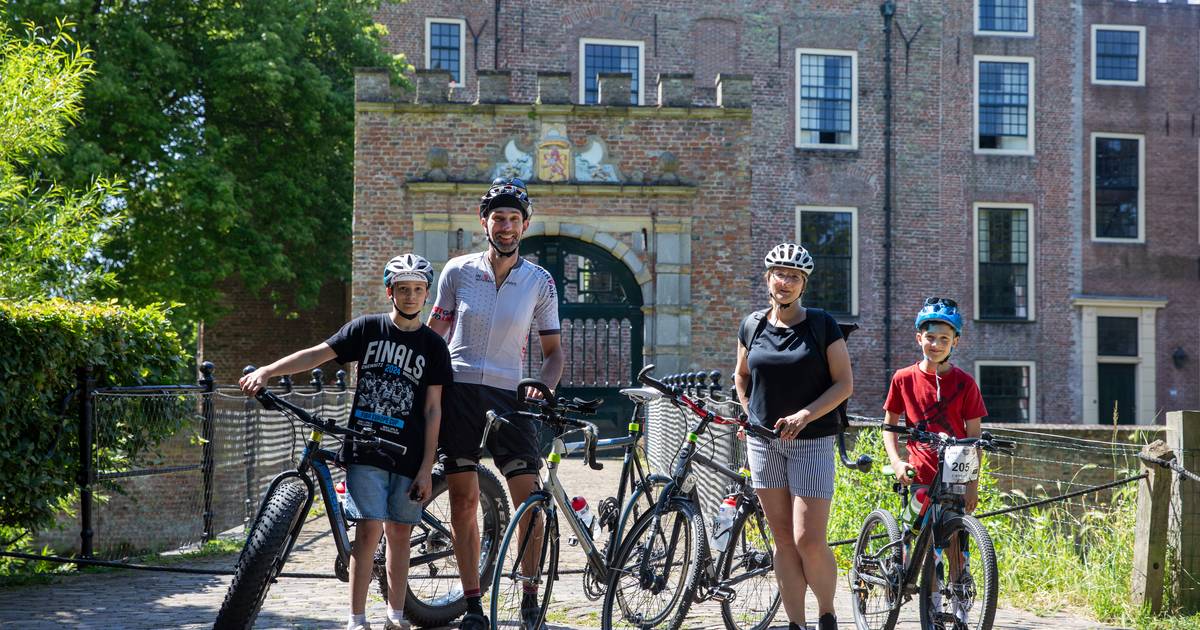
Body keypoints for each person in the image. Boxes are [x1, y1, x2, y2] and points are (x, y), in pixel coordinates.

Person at [239, 254, 452, 630]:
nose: (410, 296)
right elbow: (317, 354)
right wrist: (269, 370)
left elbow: (434, 409)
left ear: (426, 294)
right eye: (403, 289)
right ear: (390, 292)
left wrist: (425, 467)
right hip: (365, 448)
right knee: (368, 529)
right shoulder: (367, 329)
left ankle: (395, 615)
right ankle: (357, 619)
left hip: (408, 454)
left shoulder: (433, 346)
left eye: (418, 289)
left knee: (399, 533)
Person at [427, 177, 564, 630]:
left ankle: (528, 595)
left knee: (530, 501)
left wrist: (543, 387)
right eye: (498, 218)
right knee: (463, 500)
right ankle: (472, 605)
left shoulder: (540, 281)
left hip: (511, 395)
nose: (505, 227)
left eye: (513, 219)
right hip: (459, 392)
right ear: (484, 222)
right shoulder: (457, 271)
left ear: (525, 225)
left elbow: (554, 353)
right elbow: (434, 336)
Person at [733, 243, 854, 630]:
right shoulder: (752, 325)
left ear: (804, 284)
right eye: (779, 275)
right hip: (764, 443)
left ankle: (826, 613)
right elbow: (741, 376)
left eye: (794, 277)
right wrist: (749, 414)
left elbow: (844, 384)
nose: (785, 282)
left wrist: (805, 414)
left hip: (812, 441)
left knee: (808, 539)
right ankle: (796, 624)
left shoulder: (821, 325)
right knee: (783, 539)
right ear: (768, 278)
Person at [883, 297, 988, 514]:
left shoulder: (966, 383)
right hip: (919, 476)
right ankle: (906, 536)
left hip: (957, 477)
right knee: (915, 528)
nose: (936, 345)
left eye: (944, 339)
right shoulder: (903, 378)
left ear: (954, 342)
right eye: (930, 337)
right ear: (919, 338)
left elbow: (974, 437)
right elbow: (889, 427)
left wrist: (972, 486)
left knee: (955, 532)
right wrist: (896, 462)